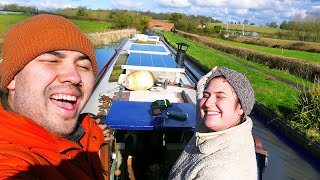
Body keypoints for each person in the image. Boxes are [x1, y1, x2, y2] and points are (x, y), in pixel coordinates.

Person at [0, 14, 109, 179]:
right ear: (12, 79)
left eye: (83, 66)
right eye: (52, 61)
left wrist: (95, 132)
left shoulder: (84, 130)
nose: (75, 77)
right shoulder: (11, 161)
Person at [169, 66, 257, 180]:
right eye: (207, 95)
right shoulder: (218, 123)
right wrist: (202, 85)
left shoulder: (219, 172)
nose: (208, 103)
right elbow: (201, 100)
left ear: (241, 107)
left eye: (220, 96)